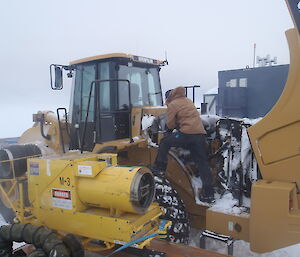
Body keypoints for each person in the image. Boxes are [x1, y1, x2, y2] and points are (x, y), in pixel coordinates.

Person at [151, 86, 214, 203]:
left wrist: (169, 132)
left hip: (186, 134)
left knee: (165, 143)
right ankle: (209, 193)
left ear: (168, 98)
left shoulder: (173, 104)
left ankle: (159, 168)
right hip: (199, 135)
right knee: (202, 163)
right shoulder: (188, 101)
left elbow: (170, 124)